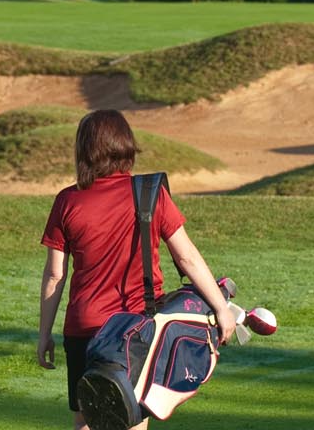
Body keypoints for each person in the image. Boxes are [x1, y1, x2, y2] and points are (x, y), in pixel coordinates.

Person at [33, 110, 237, 430]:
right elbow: (187, 259)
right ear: (126, 146)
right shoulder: (150, 194)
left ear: (85, 150)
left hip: (83, 329)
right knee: (131, 420)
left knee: (86, 420)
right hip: (136, 329)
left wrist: (44, 334)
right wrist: (221, 308)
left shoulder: (67, 201)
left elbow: (55, 275)